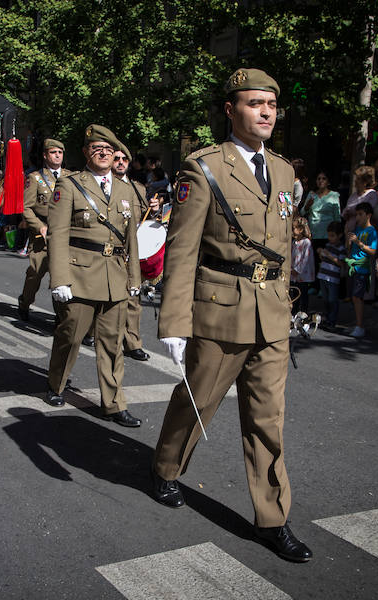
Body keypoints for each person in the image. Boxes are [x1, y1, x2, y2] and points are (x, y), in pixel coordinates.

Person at [152, 67, 312, 562]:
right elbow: (182, 251)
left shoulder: (283, 171)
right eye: (254, 103)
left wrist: (288, 304)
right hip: (220, 310)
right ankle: (166, 467)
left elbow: (281, 247)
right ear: (230, 109)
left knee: (268, 419)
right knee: (197, 401)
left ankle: (272, 518)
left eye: (272, 104)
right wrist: (175, 322)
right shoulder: (203, 168)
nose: (266, 112)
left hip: (272, 314)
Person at [44, 124, 142, 428]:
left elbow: (131, 239)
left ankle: (114, 403)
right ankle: (56, 383)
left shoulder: (126, 189)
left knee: (112, 343)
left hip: (115, 276)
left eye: (109, 150)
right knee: (71, 335)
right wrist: (60, 279)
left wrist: (135, 279)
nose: (103, 154)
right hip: (80, 274)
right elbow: (57, 234)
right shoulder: (71, 184)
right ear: (86, 153)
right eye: (97, 149)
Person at [113, 141, 159, 362]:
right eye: (116, 158)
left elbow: (144, 219)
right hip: (108, 250)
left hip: (131, 252)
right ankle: (91, 332)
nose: (121, 163)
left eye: (125, 159)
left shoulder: (138, 188)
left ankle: (132, 343)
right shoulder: (101, 185)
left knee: (133, 298)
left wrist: (154, 211)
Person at [18, 138, 72, 321]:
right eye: (53, 152)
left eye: (60, 152)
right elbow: (26, 208)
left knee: (60, 276)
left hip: (64, 235)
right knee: (35, 274)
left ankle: (60, 315)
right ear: (45, 155)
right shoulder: (35, 178)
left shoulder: (71, 177)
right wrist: (39, 226)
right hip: (43, 235)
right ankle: (25, 302)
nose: (57, 156)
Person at [346, 202, 378, 338]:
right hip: (353, 267)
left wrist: (358, 243)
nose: (358, 217)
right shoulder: (358, 229)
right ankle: (357, 324)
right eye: (356, 215)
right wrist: (349, 241)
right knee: (353, 297)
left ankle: (360, 326)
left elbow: (373, 251)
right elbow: (350, 249)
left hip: (363, 268)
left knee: (357, 296)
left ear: (368, 215)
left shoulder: (371, 231)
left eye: (360, 214)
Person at [301, 170, 340, 275]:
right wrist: (307, 206)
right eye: (318, 179)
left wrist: (337, 233)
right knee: (314, 262)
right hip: (314, 234)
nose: (321, 181)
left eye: (323, 178)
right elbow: (302, 212)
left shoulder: (334, 195)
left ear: (328, 181)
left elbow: (337, 216)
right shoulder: (312, 194)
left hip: (328, 234)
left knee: (326, 262)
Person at [317, 221, 346, 329]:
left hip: (333, 278)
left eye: (332, 235)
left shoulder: (341, 248)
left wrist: (329, 255)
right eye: (329, 235)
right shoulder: (328, 245)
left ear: (340, 235)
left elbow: (341, 263)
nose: (330, 238)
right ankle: (327, 317)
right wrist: (321, 253)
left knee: (332, 300)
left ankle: (332, 320)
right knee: (325, 299)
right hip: (323, 275)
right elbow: (323, 259)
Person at [342, 165, 378, 234]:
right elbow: (345, 210)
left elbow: (368, 211)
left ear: (365, 181)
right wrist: (345, 214)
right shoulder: (353, 195)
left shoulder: (371, 194)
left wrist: (353, 212)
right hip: (350, 232)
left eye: (358, 179)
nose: (355, 181)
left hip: (363, 233)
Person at [291, 216, 314, 315]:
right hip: (294, 274)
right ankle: (294, 313)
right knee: (295, 294)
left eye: (294, 228)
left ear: (300, 229)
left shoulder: (306, 242)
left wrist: (297, 270)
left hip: (303, 275)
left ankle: (303, 314)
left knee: (303, 294)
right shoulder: (294, 242)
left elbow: (305, 258)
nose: (292, 230)